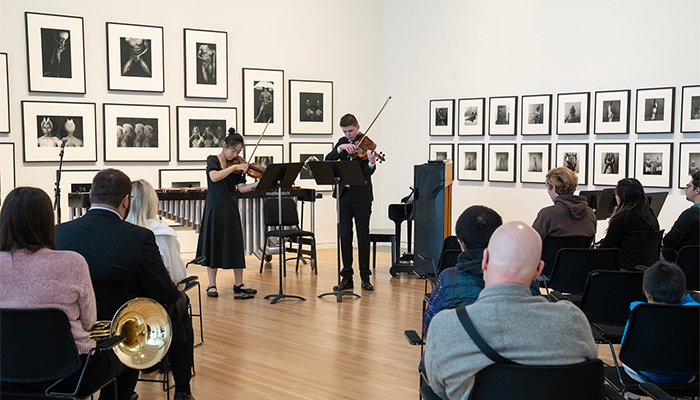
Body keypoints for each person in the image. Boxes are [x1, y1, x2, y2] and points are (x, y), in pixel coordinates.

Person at [55, 169, 196, 400]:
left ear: (91, 196)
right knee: (180, 304)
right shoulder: (138, 237)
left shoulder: (60, 233)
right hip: (122, 333)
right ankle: (182, 389)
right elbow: (164, 293)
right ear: (125, 201)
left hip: (75, 330)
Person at [424, 222, 598, 400]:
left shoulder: (445, 326)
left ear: (484, 260)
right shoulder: (573, 319)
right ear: (538, 270)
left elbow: (438, 389)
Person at [0, 187, 126, 398]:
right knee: (122, 353)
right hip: (67, 376)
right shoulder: (73, 262)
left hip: (4, 372)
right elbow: (89, 323)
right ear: (47, 222)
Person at [196, 128, 259, 298]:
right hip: (214, 207)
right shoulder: (213, 160)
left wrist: (256, 184)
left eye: (238, 151)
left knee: (235, 243)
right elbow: (214, 177)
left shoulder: (237, 166)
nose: (235, 154)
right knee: (213, 243)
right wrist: (235, 167)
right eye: (233, 150)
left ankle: (239, 284)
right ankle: (211, 285)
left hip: (230, 206)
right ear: (224, 145)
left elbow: (241, 188)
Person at [422, 206, 502, 336]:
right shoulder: (520, 278)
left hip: (457, 351)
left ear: (461, 243)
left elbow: (429, 328)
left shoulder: (447, 277)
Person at [621, 261, 699, 384]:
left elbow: (625, 343)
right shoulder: (694, 311)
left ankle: (633, 397)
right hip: (685, 376)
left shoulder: (638, 311)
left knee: (629, 360)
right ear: (683, 294)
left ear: (647, 293)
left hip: (643, 375)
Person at [325, 113, 377, 291]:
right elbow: (328, 160)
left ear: (358, 127)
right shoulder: (342, 142)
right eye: (345, 131)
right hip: (343, 196)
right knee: (345, 236)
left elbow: (368, 172)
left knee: (363, 236)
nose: (348, 135)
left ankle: (365, 277)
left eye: (351, 131)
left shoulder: (367, 144)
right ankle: (346, 277)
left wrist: (371, 162)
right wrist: (340, 149)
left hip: (361, 197)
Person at [126, 179, 187, 284]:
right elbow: (177, 277)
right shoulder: (164, 234)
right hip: (157, 296)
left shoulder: (117, 232)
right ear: (152, 202)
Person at [532, 167, 596, 241]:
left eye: (547, 187)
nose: (547, 191)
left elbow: (531, 244)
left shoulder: (547, 214)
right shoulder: (590, 214)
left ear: (553, 187)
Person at [596, 178, 659, 249]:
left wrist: (599, 246)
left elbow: (607, 247)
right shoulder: (650, 214)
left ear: (622, 197)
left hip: (621, 259)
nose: (615, 197)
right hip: (647, 259)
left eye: (616, 195)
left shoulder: (621, 218)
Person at [661, 171, 700, 262]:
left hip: (682, 263)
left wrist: (671, 234)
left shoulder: (690, 214)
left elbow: (668, 242)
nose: (685, 189)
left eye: (688, 186)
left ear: (697, 190)